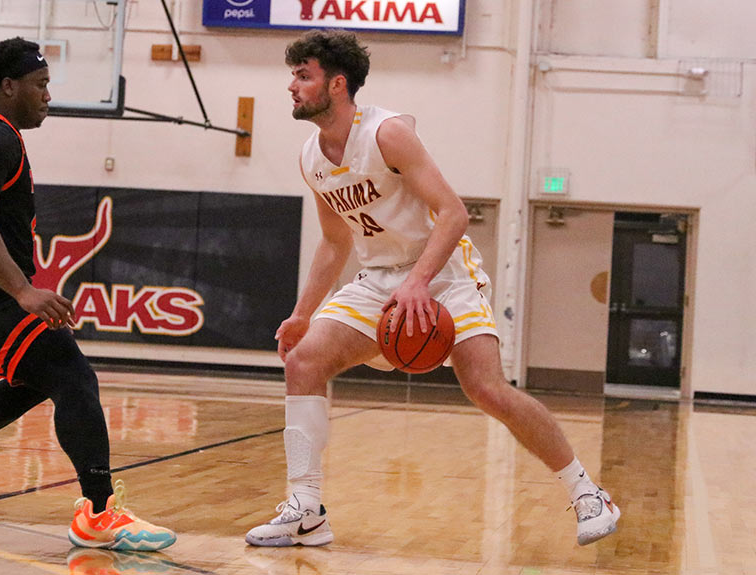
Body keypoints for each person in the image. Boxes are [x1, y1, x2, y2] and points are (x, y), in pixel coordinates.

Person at [245, 29, 620, 548]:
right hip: (379, 279)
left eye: (302, 75)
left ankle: (587, 493)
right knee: (303, 361)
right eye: (293, 75)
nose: (291, 85)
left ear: (336, 85)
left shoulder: (386, 133)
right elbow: (334, 243)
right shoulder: (312, 156)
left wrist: (420, 281)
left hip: (443, 274)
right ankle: (306, 509)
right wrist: (304, 312)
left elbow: (454, 213)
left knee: (486, 389)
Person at [0, 37, 175, 552]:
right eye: (41, 85)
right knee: (74, 376)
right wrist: (24, 290)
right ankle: (99, 513)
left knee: (37, 378)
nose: (49, 95)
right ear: (9, 86)